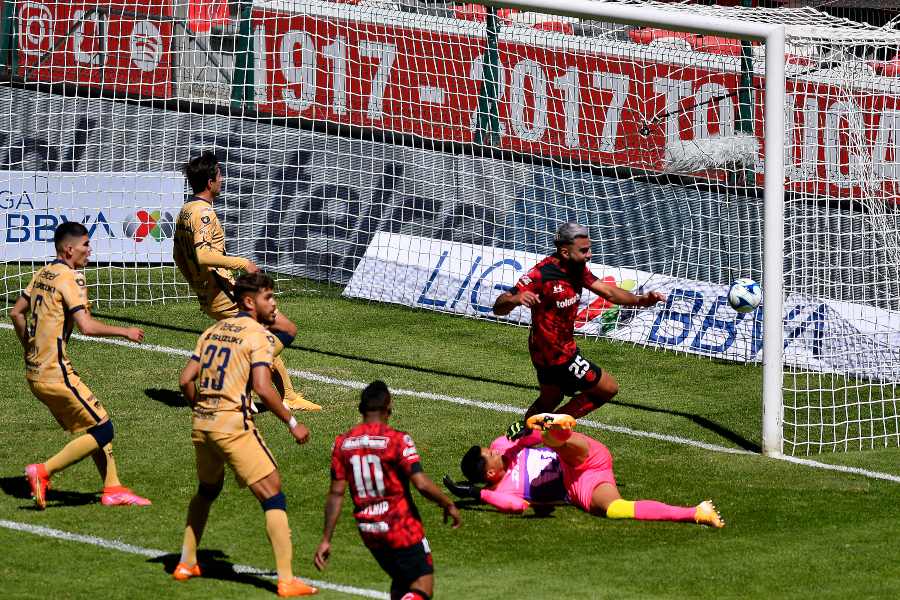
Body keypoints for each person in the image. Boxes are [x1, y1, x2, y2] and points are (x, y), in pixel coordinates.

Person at [173, 272, 318, 597]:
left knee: (207, 491)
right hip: (232, 426)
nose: (274, 302)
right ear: (250, 302)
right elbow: (265, 389)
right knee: (273, 492)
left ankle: (186, 562)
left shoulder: (212, 331)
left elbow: (185, 380)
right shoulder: (258, 337)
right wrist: (293, 423)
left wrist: (202, 408)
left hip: (202, 425)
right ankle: (286, 580)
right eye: (269, 297)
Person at [10, 222, 151, 509]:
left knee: (95, 420)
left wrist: (30, 346)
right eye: (86, 244)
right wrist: (125, 331)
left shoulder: (42, 272)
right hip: (56, 373)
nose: (90, 249)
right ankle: (43, 471)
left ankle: (112, 488)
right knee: (104, 430)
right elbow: (86, 326)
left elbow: (16, 312)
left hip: (35, 373)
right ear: (69, 249)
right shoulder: (72, 278)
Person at [174, 151, 320, 411]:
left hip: (211, 294)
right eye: (219, 175)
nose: (223, 179)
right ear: (210, 182)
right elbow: (203, 255)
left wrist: (196, 286)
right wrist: (243, 263)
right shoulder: (204, 214)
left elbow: (178, 256)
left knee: (262, 335)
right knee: (282, 330)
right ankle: (240, 381)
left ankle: (287, 395)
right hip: (223, 293)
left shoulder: (186, 210)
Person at [492, 222, 665, 438]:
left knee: (550, 400)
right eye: (584, 250)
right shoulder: (540, 275)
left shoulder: (577, 269)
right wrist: (516, 299)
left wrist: (641, 300)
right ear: (565, 252)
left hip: (551, 350)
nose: (589, 255)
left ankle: (522, 438)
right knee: (608, 389)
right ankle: (548, 428)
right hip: (557, 354)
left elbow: (608, 292)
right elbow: (499, 307)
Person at [314, 381, 461, 600]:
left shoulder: (342, 444)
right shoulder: (397, 440)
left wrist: (326, 538)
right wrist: (447, 503)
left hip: (369, 530)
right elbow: (420, 483)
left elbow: (336, 494)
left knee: (402, 582)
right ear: (388, 408)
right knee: (422, 585)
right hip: (400, 527)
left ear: (361, 409)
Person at [451, 413, 723, 527]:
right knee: (615, 509)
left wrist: (527, 432)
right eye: (490, 456)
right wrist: (477, 494)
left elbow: (525, 440)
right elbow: (517, 508)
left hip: (579, 456)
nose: (494, 449)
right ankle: (697, 512)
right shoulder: (504, 490)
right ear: (489, 474)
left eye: (489, 449)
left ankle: (555, 429)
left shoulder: (503, 445)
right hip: (579, 485)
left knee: (554, 445)